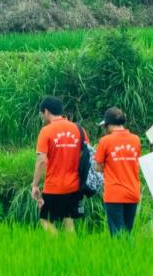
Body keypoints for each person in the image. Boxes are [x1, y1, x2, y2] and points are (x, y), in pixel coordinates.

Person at [32, 96, 88, 233]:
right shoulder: (79, 129)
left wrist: (34, 184)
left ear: (46, 111)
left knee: (45, 219)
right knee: (68, 221)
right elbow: (87, 155)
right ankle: (72, 252)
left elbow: (41, 160)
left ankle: (57, 248)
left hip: (54, 186)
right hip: (74, 186)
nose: (42, 117)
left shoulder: (46, 131)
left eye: (41, 114)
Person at [93, 107, 142, 236]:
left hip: (114, 193)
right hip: (133, 191)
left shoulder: (105, 141)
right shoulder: (136, 139)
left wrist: (109, 166)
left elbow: (97, 167)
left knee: (117, 234)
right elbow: (136, 162)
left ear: (108, 125)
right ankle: (129, 255)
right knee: (127, 231)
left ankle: (126, 254)